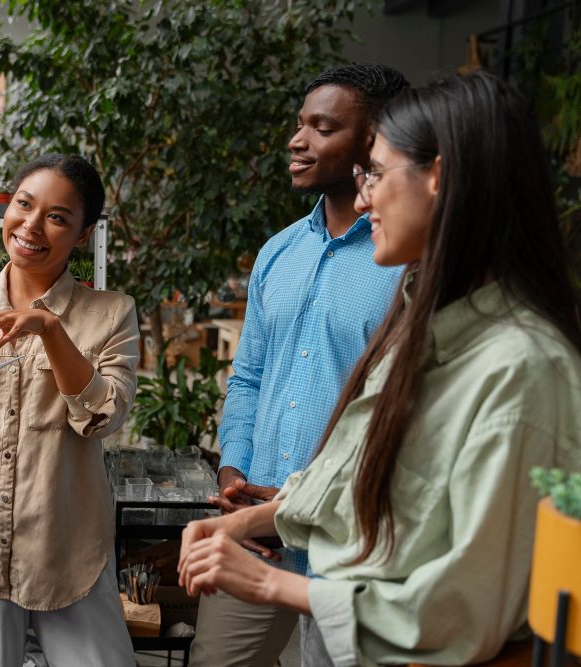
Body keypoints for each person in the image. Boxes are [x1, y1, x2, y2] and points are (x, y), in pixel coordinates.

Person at [179, 71, 581, 666]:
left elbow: (463, 607)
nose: (364, 198)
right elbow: (374, 476)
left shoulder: (521, 369)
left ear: (439, 177)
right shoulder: (431, 323)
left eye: (377, 173)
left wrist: (274, 583)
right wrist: (253, 519)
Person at [190, 64, 408, 667]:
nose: (297, 139)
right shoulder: (279, 252)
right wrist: (232, 475)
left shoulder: (410, 261)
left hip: (351, 536)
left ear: (375, 141)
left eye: (322, 126)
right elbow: (250, 375)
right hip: (256, 528)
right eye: (299, 124)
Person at [0, 154, 139, 666]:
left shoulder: (110, 313)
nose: (32, 226)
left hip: (66, 550)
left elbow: (104, 416)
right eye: (23, 204)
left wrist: (50, 330)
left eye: (57, 217)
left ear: (83, 235)